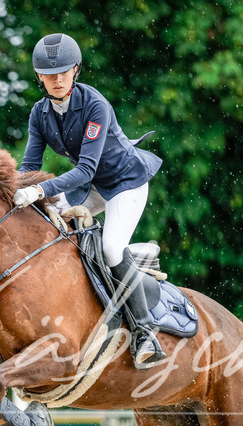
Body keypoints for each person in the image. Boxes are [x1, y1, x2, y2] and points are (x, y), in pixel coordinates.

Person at [13, 33, 166, 370]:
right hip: (92, 185)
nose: (56, 80)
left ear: (76, 71)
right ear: (39, 77)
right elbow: (29, 167)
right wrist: (12, 188)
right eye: (49, 74)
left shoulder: (95, 105)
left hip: (125, 182)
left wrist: (40, 191)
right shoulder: (39, 114)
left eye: (63, 72)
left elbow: (85, 169)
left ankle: (145, 333)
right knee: (51, 228)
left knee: (111, 248)